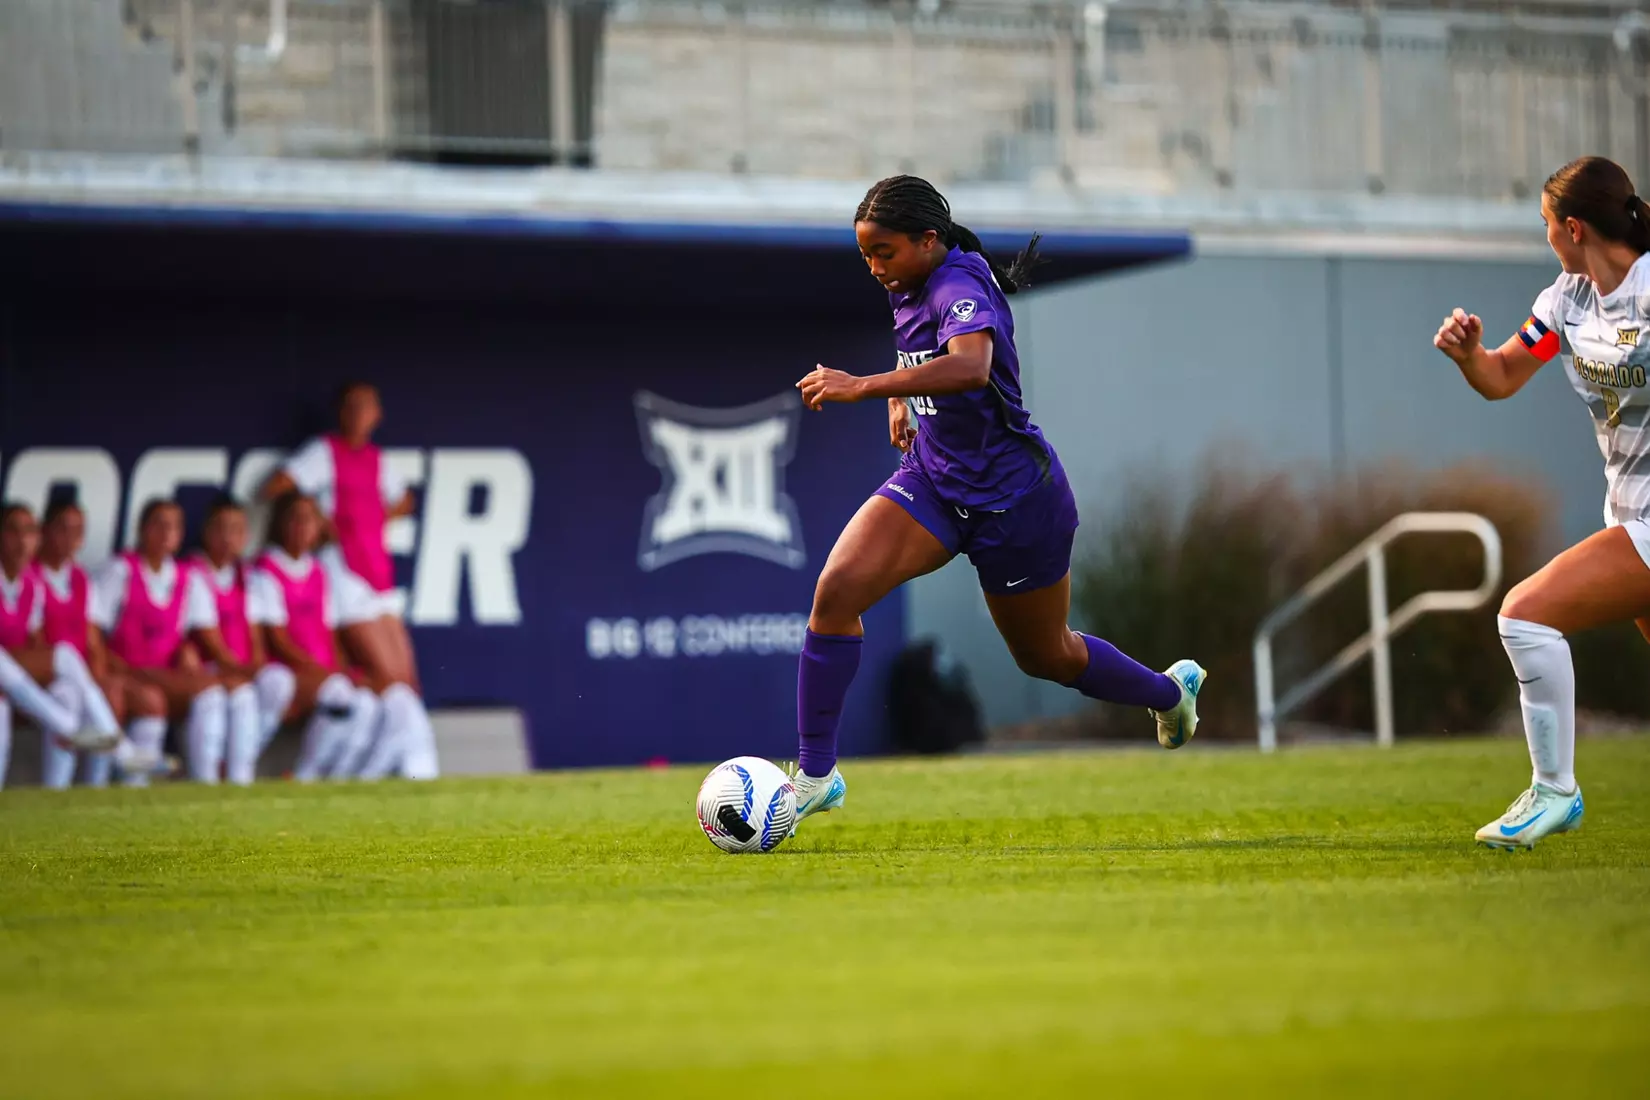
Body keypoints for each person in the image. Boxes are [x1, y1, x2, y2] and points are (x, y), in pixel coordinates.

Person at [786, 175, 1204, 823]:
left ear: (928, 241)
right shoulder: (910, 280)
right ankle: (816, 775)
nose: (874, 268)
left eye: (884, 252)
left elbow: (970, 365)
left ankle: (1168, 692)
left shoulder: (958, 283)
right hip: (934, 478)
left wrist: (864, 386)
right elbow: (921, 349)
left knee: (1048, 656)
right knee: (836, 593)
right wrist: (902, 397)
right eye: (865, 254)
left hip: (1014, 499)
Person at [1432, 155, 1650, 850]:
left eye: (1547, 225)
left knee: (1524, 617)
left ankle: (1555, 791)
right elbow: (1502, 376)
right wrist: (1469, 357)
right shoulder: (1565, 302)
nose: (1546, 236)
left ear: (1575, 227)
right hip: (1628, 511)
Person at [252, 490, 434, 781]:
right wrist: (327, 672)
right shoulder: (266, 569)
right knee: (341, 694)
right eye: (295, 520)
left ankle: (347, 779)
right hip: (290, 674)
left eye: (309, 520)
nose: (302, 528)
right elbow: (278, 641)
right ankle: (305, 774)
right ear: (279, 524)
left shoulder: (319, 571)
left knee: (375, 701)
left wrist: (342, 670)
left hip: (324, 673)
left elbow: (331, 636)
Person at [261, 382, 420, 692]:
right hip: (344, 570)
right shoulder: (323, 451)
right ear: (339, 411)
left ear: (378, 414)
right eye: (351, 405)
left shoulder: (375, 457)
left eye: (366, 405)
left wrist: (373, 521)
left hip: (378, 572)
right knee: (386, 678)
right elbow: (274, 486)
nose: (359, 413)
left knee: (408, 682)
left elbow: (406, 500)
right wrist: (319, 520)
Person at [0, 503, 165, 788]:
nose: (22, 540)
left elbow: (35, 644)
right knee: (62, 655)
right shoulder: (37, 576)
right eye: (13, 531)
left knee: (66, 691)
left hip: (15, 677)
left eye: (29, 531)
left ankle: (57, 797)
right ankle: (117, 749)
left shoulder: (31, 584)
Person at [92, 498, 233, 786]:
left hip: (164, 676)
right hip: (126, 673)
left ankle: (205, 783)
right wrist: (109, 667)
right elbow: (93, 632)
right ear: (142, 529)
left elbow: (203, 639)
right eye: (159, 524)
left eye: (175, 526)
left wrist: (187, 650)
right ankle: (130, 780)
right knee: (148, 698)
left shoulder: (188, 578)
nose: (167, 532)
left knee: (211, 693)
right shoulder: (120, 570)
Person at [190, 495, 296, 785]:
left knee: (278, 681)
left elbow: (256, 642)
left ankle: (236, 769)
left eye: (236, 530)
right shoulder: (194, 574)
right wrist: (246, 674)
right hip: (204, 670)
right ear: (206, 532)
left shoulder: (250, 577)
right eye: (221, 528)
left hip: (239, 671)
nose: (228, 538)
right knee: (239, 696)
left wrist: (254, 669)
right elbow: (211, 646)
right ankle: (214, 779)